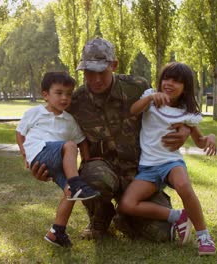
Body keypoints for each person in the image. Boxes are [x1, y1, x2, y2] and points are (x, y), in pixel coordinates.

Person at [31, 37, 191, 242]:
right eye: (89, 72)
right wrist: (43, 166)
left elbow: (170, 109)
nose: (96, 79)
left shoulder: (137, 88)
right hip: (102, 170)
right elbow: (51, 135)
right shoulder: (75, 101)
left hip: (140, 174)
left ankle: (124, 217)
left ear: (113, 65)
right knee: (95, 178)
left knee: (161, 234)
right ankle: (100, 216)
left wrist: (185, 128)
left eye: (102, 72)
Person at [119, 62, 217, 256]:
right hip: (148, 168)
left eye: (177, 81)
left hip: (171, 163)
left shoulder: (186, 114)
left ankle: (204, 236)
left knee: (183, 185)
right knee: (127, 204)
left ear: (185, 88)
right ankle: (178, 216)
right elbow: (133, 110)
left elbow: (200, 141)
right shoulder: (150, 99)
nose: (170, 83)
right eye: (166, 78)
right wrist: (149, 99)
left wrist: (211, 138)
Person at [16, 71, 100, 248]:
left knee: (70, 193)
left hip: (57, 159)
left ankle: (57, 232)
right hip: (40, 152)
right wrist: (25, 155)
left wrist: (87, 160)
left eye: (69, 94)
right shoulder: (35, 112)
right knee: (69, 146)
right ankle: (76, 182)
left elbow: (82, 140)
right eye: (59, 93)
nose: (65, 98)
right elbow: (20, 133)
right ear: (45, 95)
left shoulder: (69, 120)